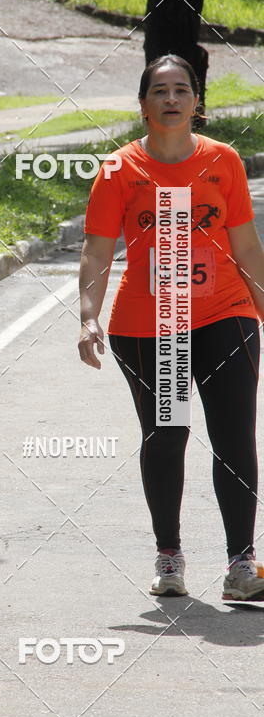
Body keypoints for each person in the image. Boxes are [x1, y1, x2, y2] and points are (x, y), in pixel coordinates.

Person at [78, 54, 264, 600]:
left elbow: (246, 245)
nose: (172, 99)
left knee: (234, 438)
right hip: (152, 324)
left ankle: (241, 565)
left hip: (224, 315)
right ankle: (169, 557)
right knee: (168, 434)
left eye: (182, 89)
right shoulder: (119, 170)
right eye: (160, 91)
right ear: (142, 105)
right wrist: (88, 318)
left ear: (197, 103)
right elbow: (96, 252)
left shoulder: (223, 161)